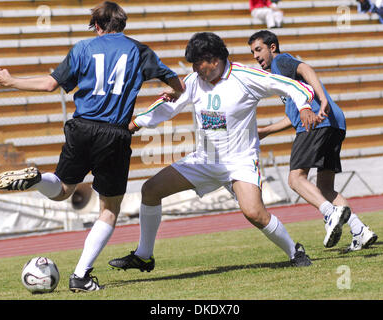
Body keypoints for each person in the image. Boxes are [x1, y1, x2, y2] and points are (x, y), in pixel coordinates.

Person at [0, 1, 185, 292]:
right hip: (113, 133)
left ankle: (38, 178)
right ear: (123, 24)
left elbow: (48, 85)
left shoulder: (82, 48)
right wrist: (172, 90)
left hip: (80, 127)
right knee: (109, 208)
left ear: (97, 26)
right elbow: (177, 84)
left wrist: (10, 80)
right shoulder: (139, 50)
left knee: (62, 190)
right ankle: (80, 276)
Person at [108, 32, 314, 273]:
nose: (195, 69)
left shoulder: (245, 76)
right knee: (150, 190)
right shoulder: (195, 81)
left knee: (255, 213)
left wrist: (304, 106)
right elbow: (168, 105)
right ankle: (143, 256)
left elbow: (294, 86)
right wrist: (133, 126)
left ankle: (294, 251)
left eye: (198, 63)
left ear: (214, 60)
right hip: (205, 160)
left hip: (240, 161)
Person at [248, 30, 378, 251]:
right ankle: (360, 231)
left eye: (258, 50)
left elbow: (305, 68)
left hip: (316, 123)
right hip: (335, 124)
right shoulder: (283, 80)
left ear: (272, 48)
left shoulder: (281, 62)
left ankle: (330, 214)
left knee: (295, 179)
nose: (255, 56)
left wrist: (323, 97)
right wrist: (267, 130)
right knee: (325, 189)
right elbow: (294, 115)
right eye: (252, 52)